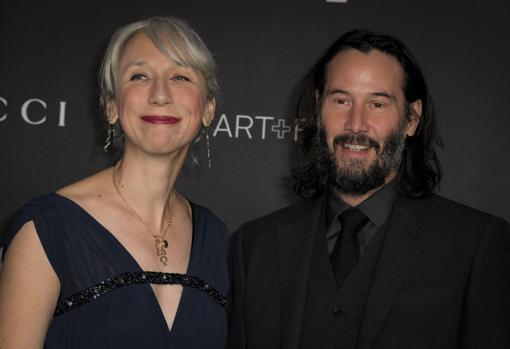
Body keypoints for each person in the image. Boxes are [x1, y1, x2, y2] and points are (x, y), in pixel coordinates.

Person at [227, 29, 510, 349]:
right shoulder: (255, 245)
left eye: (377, 104)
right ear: (319, 108)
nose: (356, 124)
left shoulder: (474, 244)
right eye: (341, 100)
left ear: (412, 119)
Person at [0, 17, 228, 348]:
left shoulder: (215, 235)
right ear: (111, 107)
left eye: (180, 76)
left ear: (208, 109)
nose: (160, 94)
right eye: (139, 76)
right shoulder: (48, 228)